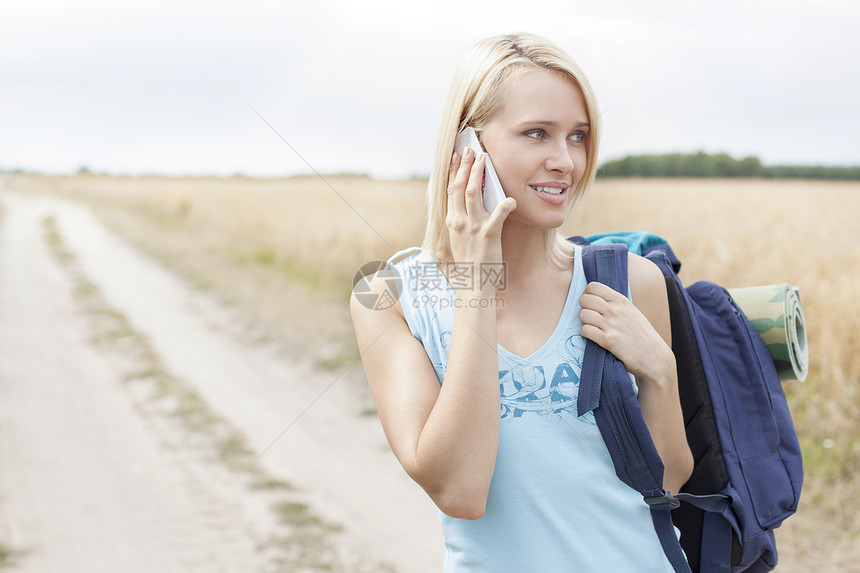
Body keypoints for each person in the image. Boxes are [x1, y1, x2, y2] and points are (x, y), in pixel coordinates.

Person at [351, 32, 694, 572]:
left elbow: (667, 479)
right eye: (537, 133)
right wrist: (477, 285)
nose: (566, 161)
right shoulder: (387, 296)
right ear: (468, 148)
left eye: (578, 136)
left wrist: (660, 373)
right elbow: (460, 490)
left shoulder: (632, 282)